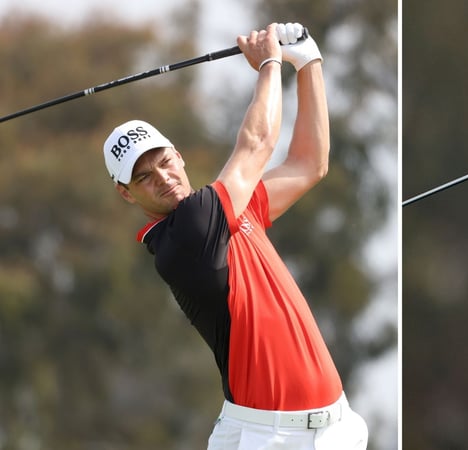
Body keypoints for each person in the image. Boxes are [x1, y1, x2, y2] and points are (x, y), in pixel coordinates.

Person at [101, 23, 368, 450]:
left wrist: (308, 62)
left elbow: (308, 164)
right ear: (125, 192)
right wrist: (269, 63)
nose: (163, 179)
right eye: (143, 177)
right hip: (268, 439)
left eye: (165, 162)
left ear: (179, 154)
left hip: (336, 427)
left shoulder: (228, 211)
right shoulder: (188, 232)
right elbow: (258, 143)